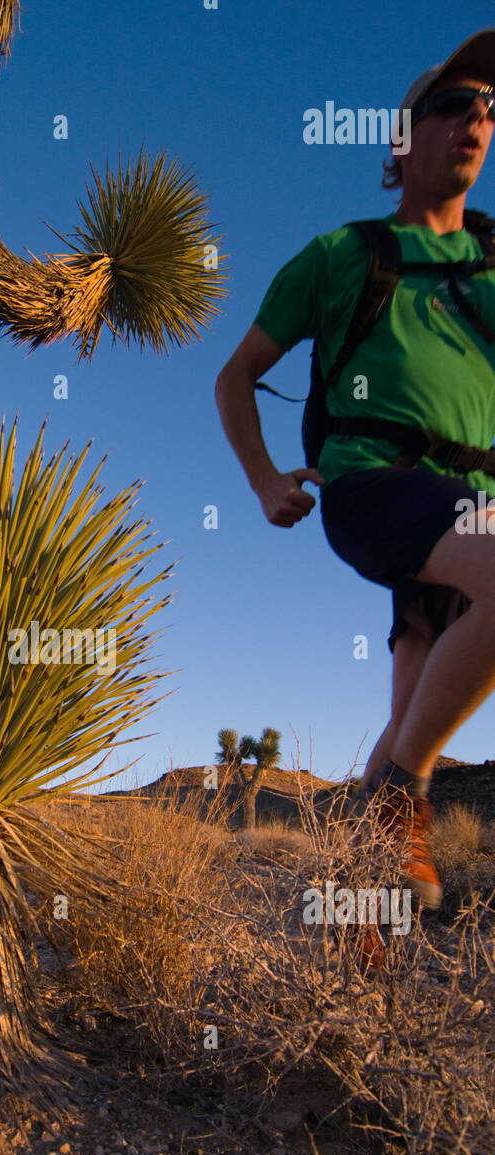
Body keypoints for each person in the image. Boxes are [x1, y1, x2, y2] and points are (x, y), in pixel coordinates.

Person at [214, 30, 495, 961]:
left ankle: (351, 919)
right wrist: (262, 482)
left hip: (473, 503)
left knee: (412, 700)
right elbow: (237, 374)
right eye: (456, 104)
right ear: (402, 143)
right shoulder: (344, 254)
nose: (478, 120)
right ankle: (401, 795)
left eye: (490, 108)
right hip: (375, 485)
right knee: (413, 752)